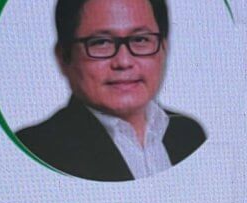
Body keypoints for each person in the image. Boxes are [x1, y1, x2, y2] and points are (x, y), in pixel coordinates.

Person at [16, 0, 206, 182]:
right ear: (63, 57)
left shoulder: (189, 134)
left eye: (140, 39)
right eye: (101, 42)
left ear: (164, 48)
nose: (124, 62)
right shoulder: (34, 149)